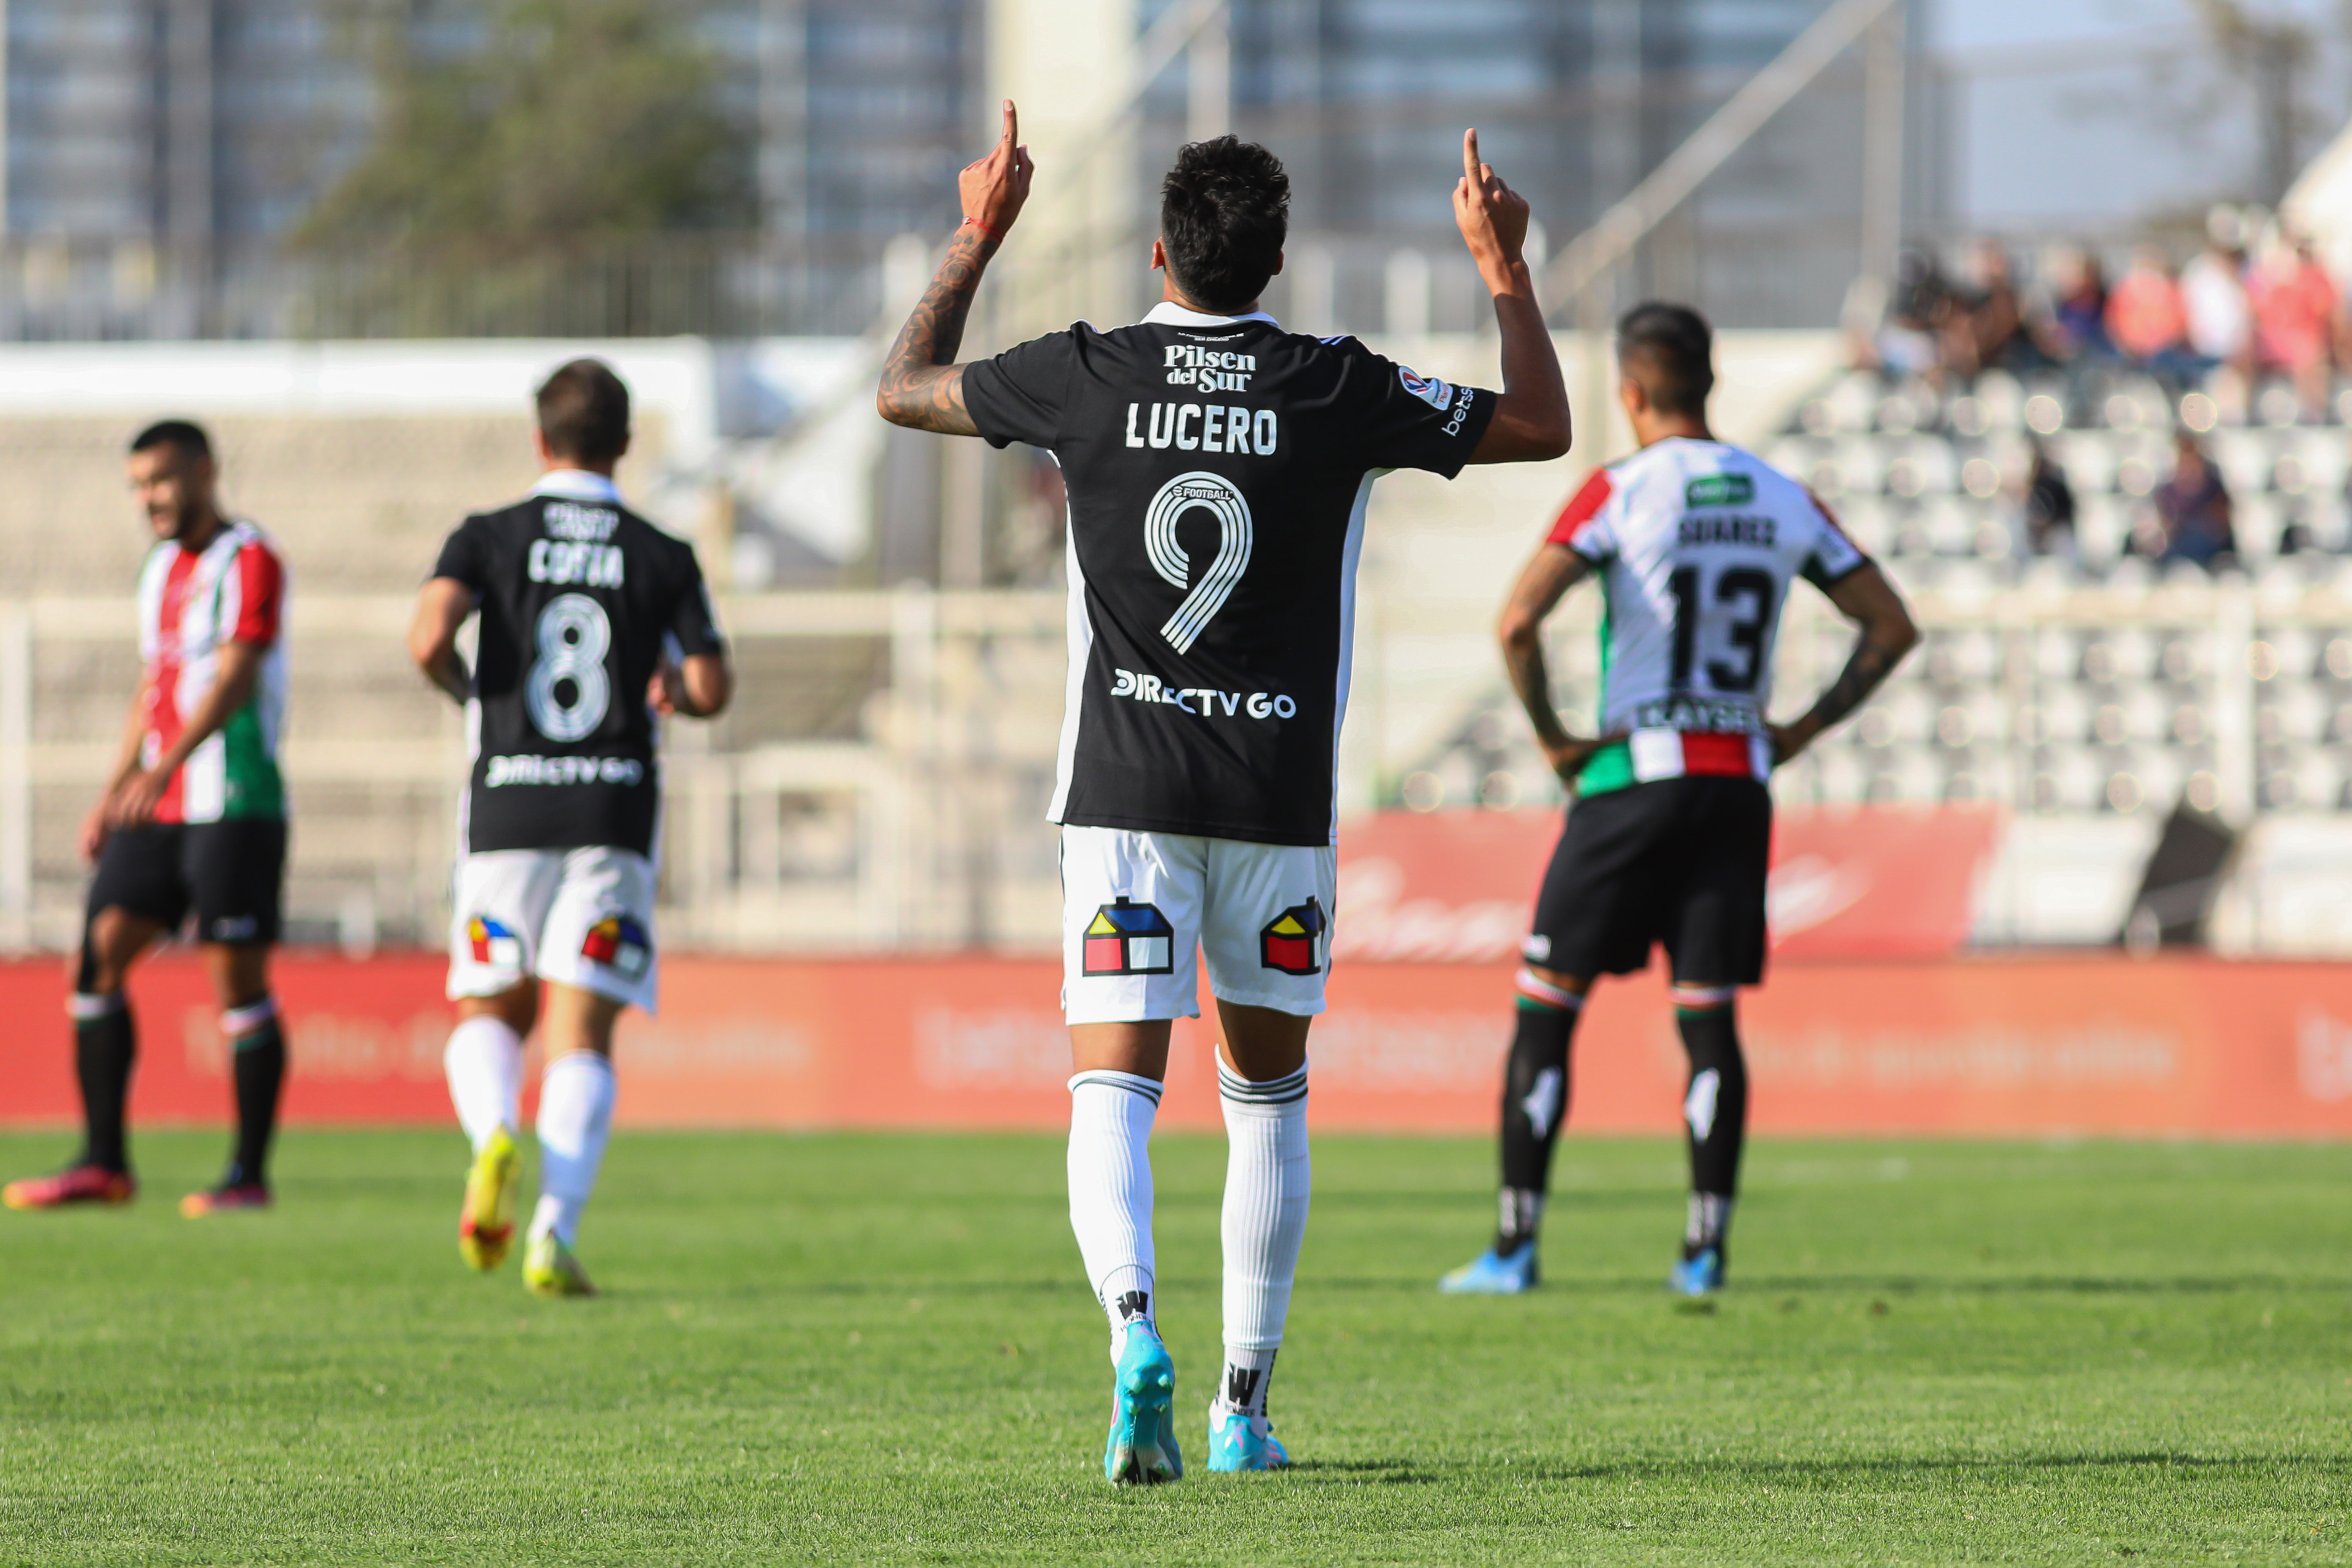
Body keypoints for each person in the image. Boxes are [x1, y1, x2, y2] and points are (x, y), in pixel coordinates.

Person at [876, 106, 1569, 1481]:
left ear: (1156, 251)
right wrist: (1500, 266)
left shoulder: (1084, 373)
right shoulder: (1335, 385)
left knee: (1111, 1096)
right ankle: (1242, 1412)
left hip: (1122, 796)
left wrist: (980, 230)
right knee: (1267, 1100)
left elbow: (905, 385)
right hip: (1273, 801)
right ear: (1277, 262)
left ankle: (1135, 1331)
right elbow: (1542, 425)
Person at [1438, 302, 1918, 1299]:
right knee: (1706, 1022)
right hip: (1736, 782)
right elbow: (1888, 627)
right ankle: (1703, 1252)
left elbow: (1518, 622)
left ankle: (1514, 1247)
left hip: (1630, 778)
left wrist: (1552, 736)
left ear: (1628, 391)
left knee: (1546, 1011)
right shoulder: (1780, 494)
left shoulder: (1618, 489)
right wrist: (1798, 729)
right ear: (1708, 385)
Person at [407, 360, 732, 1298]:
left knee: (489, 1007)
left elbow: (427, 637)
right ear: (625, 445)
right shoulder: (662, 552)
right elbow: (708, 687)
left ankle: (492, 1132)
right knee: (581, 1031)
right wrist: (674, 686)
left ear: (540, 439)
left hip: (506, 803)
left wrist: (471, 698)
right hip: (612, 809)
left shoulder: (487, 536)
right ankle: (553, 1228)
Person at [3, 422, 293, 1216]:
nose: (150, 500)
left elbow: (237, 672)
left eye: (161, 481)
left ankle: (247, 1173)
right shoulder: (159, 567)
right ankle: (104, 1160)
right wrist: (115, 787)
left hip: (234, 800)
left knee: (236, 980)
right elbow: (153, 683)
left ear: (203, 472)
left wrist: (165, 766)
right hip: (157, 804)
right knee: (98, 957)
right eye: (138, 486)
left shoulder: (250, 558)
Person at [2146, 432, 2235, 569]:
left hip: (2210, 557)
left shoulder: (2215, 489)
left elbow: (2221, 528)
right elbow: (2163, 533)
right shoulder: (2166, 493)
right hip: (2176, 557)